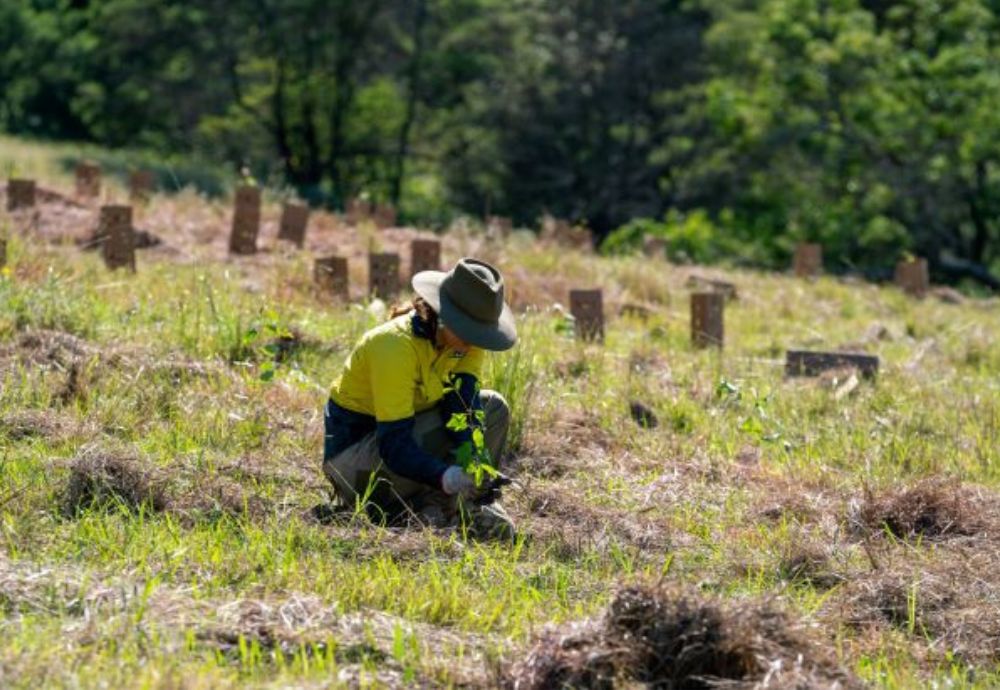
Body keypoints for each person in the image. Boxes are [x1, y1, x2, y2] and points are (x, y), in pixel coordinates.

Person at [322, 257, 517, 539]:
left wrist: (475, 462)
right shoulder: (393, 346)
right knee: (431, 453)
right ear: (442, 315)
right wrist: (447, 477)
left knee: (493, 408)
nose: (475, 341)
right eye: (469, 330)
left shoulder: (464, 344)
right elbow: (394, 444)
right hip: (357, 461)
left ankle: (451, 506)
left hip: (407, 443)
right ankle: (426, 506)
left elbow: (463, 406)